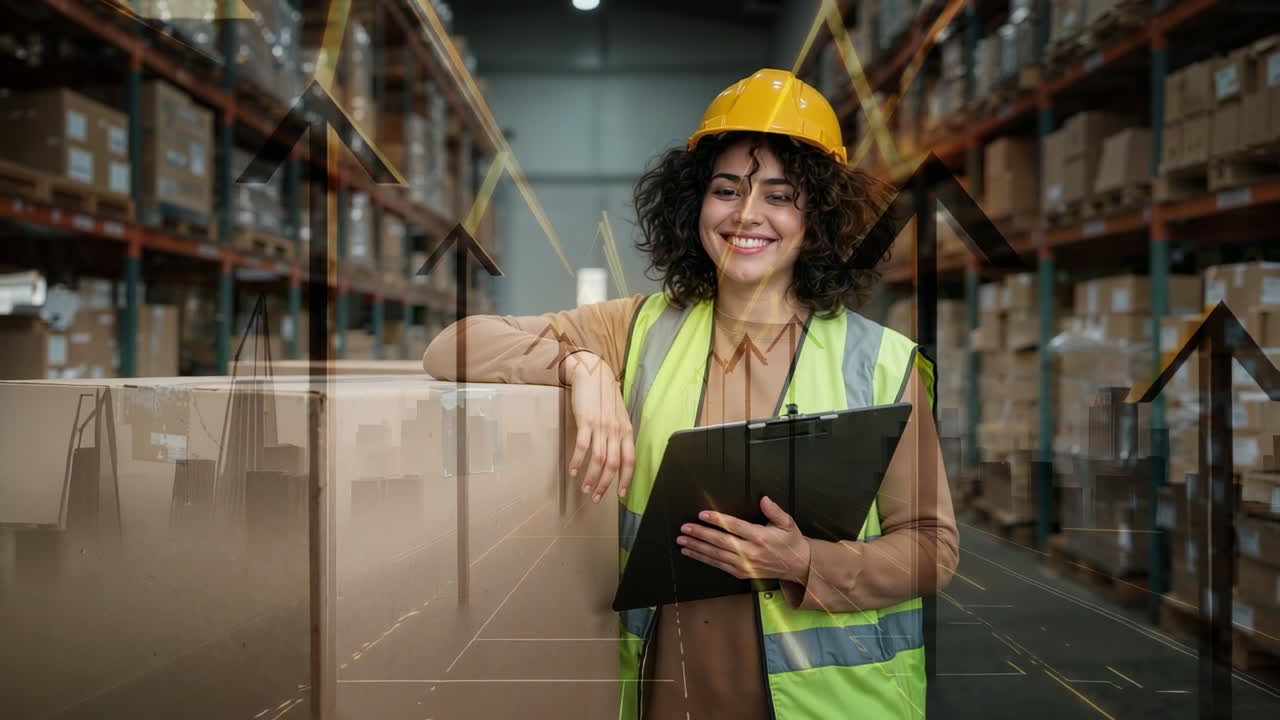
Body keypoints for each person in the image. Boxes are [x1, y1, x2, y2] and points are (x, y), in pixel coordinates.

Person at [423, 68, 958, 720]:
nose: (746, 215)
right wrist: (584, 367)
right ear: (692, 205)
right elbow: (452, 346)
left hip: (835, 707)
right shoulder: (637, 330)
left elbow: (933, 547)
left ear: (817, 217)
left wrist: (806, 561)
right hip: (666, 698)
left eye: (780, 196)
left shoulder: (878, 362)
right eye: (725, 189)